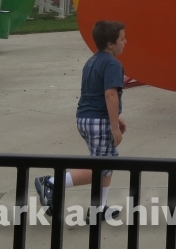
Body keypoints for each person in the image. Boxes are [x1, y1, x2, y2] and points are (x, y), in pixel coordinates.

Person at [35, 20, 126, 220]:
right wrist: (113, 125)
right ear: (110, 44)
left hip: (86, 118)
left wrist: (116, 118)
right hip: (99, 121)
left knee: (107, 164)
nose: (124, 42)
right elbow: (110, 94)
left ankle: (99, 209)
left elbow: (95, 94)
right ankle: (52, 182)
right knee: (102, 167)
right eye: (121, 38)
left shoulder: (92, 61)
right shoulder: (112, 63)